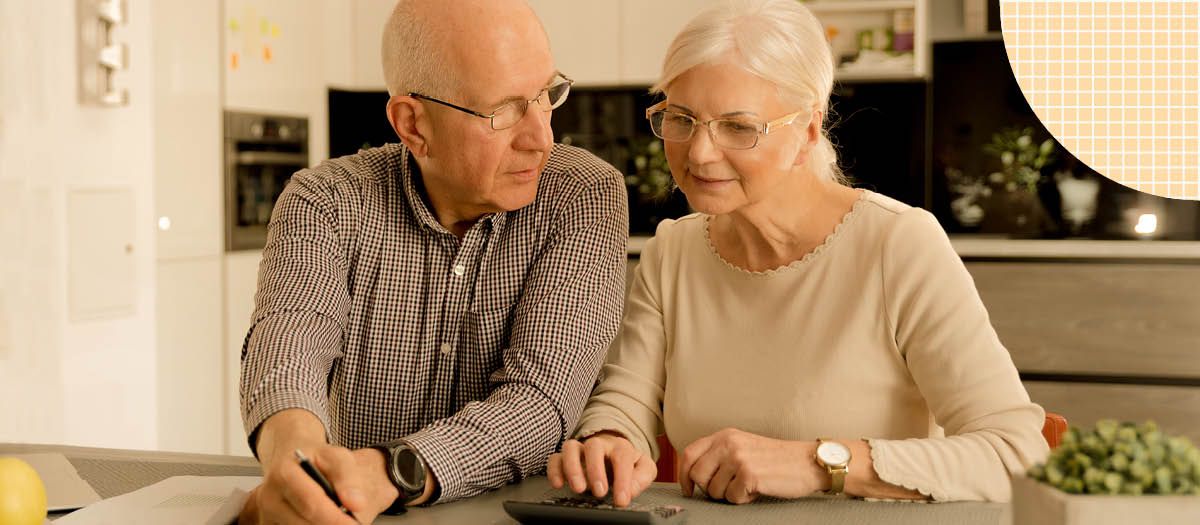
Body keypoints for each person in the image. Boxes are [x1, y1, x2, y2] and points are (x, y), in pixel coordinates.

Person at [547, 0, 1049, 507]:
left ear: (809, 128)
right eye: (680, 119)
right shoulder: (672, 251)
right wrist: (607, 441)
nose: (698, 152)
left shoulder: (898, 244)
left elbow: (1016, 454)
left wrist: (819, 463)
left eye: (738, 127)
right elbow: (626, 402)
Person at [237, 0, 629, 522]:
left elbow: (540, 400)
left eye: (545, 96)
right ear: (412, 124)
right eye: (505, 110)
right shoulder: (325, 201)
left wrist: (388, 472)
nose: (542, 139)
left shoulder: (583, 194)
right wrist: (297, 464)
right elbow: (289, 345)